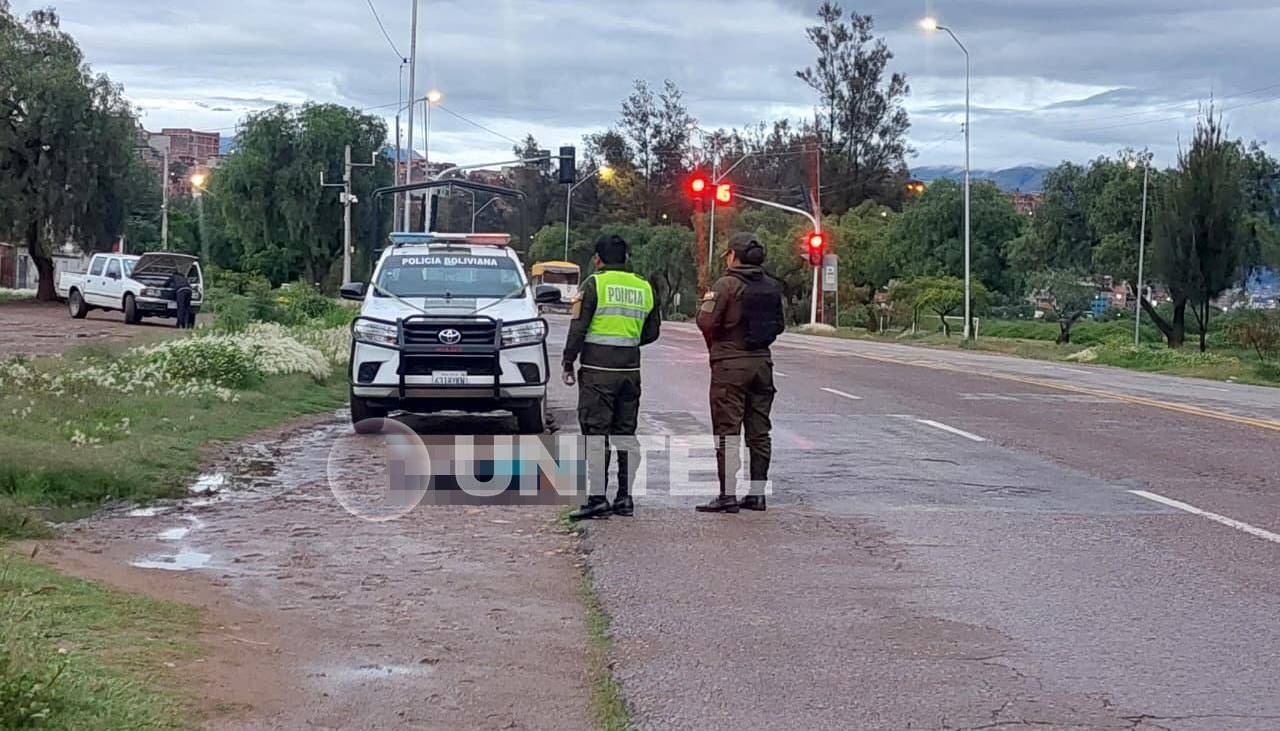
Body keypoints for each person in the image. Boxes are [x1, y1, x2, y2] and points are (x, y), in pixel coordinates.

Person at [563, 235, 661, 521]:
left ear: (598, 259)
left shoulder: (594, 284)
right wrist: (627, 344)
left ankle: (597, 499)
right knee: (626, 434)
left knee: (596, 434)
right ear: (626, 258)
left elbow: (578, 328)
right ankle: (625, 498)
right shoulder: (644, 286)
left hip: (598, 373)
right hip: (629, 372)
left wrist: (568, 361)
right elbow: (652, 331)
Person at [695, 232, 785, 514]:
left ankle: (727, 495)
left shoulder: (726, 285)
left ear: (733, 256)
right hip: (762, 365)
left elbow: (705, 321)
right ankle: (757, 495)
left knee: (727, 431)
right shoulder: (772, 287)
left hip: (731, 366)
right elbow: (779, 326)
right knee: (759, 432)